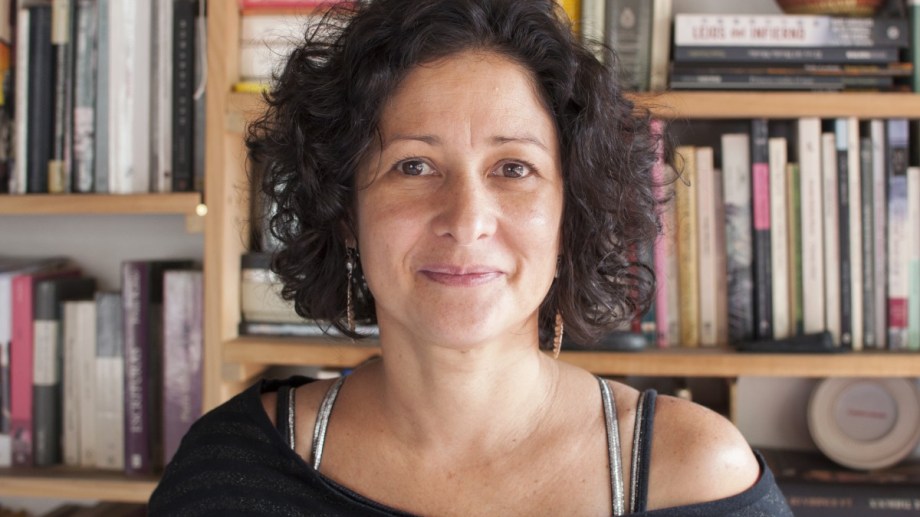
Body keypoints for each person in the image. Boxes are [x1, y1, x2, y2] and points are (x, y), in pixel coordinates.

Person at [149, 0, 793, 515]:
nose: (466, 221)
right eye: (414, 166)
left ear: (571, 213)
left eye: (513, 168)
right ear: (345, 212)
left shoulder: (694, 476)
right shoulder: (229, 471)